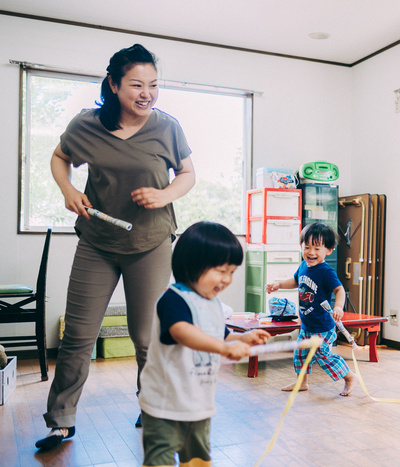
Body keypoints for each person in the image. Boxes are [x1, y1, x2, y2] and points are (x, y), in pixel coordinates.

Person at [37, 44, 196, 449]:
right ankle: (61, 419)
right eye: (137, 85)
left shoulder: (166, 127)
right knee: (78, 334)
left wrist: (164, 195)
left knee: (146, 337)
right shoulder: (86, 125)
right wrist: (67, 188)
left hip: (151, 242)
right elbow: (60, 158)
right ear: (113, 84)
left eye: (154, 85)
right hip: (98, 241)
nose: (147, 93)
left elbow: (188, 174)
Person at [139, 221, 270, 466]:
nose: (228, 279)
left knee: (197, 460)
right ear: (193, 265)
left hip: (199, 405)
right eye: (222, 271)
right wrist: (224, 348)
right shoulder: (174, 298)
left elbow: (220, 334)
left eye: (232, 272)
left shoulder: (213, 304)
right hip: (164, 406)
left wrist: (241, 338)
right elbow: (181, 331)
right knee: (160, 461)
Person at [266, 223, 357, 396]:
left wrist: (338, 306)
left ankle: (349, 376)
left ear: (329, 250)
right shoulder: (303, 266)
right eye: (306, 247)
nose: (311, 252)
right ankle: (302, 383)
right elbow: (295, 281)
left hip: (323, 325)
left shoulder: (326, 272)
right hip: (308, 325)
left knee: (323, 356)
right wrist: (278, 285)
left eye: (317, 248)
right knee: (300, 354)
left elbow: (339, 290)